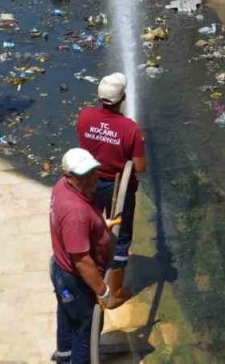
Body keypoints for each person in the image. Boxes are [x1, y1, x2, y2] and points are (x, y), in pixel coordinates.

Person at [50, 148, 129, 363]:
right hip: (75, 281)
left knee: (67, 319)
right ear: (70, 176)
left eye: (93, 171)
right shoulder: (75, 213)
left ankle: (64, 358)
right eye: (84, 175)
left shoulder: (61, 187)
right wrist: (102, 291)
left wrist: (100, 227)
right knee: (86, 331)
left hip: (60, 271)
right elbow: (82, 260)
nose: (93, 177)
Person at [76, 72, 147, 298]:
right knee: (121, 236)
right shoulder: (130, 129)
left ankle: (90, 276)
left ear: (99, 97)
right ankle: (114, 292)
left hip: (88, 183)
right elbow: (140, 166)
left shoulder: (85, 116)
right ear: (123, 98)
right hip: (118, 189)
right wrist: (136, 141)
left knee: (93, 229)